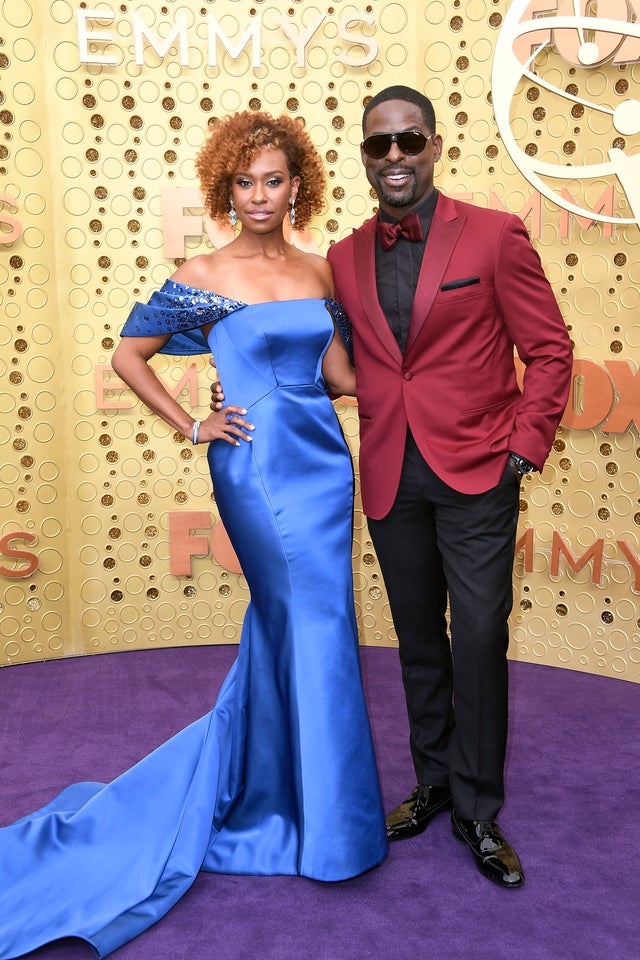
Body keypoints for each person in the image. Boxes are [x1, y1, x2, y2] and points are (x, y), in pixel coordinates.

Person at [0, 111, 387, 960]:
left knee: (306, 624)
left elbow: (343, 378)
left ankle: (295, 798)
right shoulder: (202, 274)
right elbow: (128, 357)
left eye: (274, 180)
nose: (259, 195)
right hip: (253, 471)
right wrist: (193, 424)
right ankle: (321, 823)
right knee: (310, 621)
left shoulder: (321, 271)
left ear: (299, 185)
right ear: (225, 187)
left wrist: (429, 375)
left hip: (324, 468)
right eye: (244, 181)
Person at [324, 86, 574, 888]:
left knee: (478, 638)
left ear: (434, 145)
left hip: (479, 475)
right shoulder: (344, 254)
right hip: (393, 473)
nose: (393, 157)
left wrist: (523, 451)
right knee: (418, 641)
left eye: (408, 141)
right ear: (364, 157)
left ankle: (477, 808)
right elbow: (342, 364)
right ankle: (432, 781)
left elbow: (551, 351)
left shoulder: (495, 236)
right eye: (378, 146)